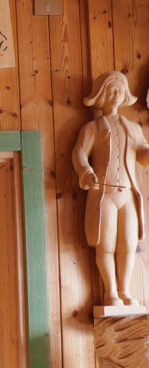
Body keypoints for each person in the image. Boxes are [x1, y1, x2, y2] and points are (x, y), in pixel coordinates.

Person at [72, 71, 149, 308]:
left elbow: (143, 156)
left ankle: (125, 290)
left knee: (128, 244)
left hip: (127, 193)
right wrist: (86, 172)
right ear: (101, 95)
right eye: (111, 90)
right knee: (105, 245)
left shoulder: (133, 129)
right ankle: (111, 292)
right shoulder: (92, 128)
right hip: (103, 193)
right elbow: (79, 153)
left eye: (120, 90)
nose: (116, 95)